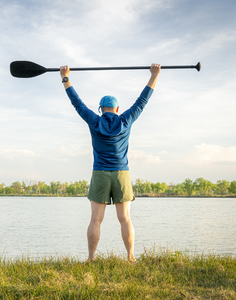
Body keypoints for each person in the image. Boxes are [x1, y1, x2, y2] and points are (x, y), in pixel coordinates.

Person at [60, 63, 161, 262]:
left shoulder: (94, 121)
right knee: (125, 218)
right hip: (121, 173)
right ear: (117, 109)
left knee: (96, 219)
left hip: (100, 173)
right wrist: (154, 75)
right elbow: (142, 101)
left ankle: (91, 259)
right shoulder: (125, 119)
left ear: (101, 109)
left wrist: (65, 78)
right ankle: (131, 257)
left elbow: (77, 103)